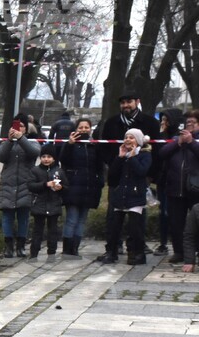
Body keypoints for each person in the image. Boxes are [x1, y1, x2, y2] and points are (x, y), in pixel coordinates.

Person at [100, 128, 152, 265]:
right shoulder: (122, 156)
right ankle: (111, 252)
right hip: (121, 195)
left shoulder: (144, 155)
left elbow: (142, 172)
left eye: (132, 137)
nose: (128, 140)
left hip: (135, 195)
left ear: (138, 141)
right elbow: (112, 178)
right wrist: (119, 158)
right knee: (114, 227)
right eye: (126, 137)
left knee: (136, 228)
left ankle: (137, 253)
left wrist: (133, 157)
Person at [0, 113, 40, 258]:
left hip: (25, 184)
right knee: (7, 216)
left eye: (22, 126)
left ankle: (21, 246)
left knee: (23, 217)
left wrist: (21, 138)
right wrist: (10, 140)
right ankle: (8, 246)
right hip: (8, 185)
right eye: (16, 126)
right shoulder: (6, 143)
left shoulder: (32, 142)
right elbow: (0, 157)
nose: (18, 128)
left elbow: (33, 153)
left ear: (26, 129)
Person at [59, 118, 104, 259]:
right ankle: (67, 249)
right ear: (76, 129)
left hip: (89, 188)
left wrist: (100, 182)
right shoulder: (70, 144)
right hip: (73, 186)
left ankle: (75, 248)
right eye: (81, 127)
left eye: (86, 127)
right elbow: (63, 160)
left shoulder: (94, 145)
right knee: (72, 219)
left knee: (82, 220)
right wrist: (69, 145)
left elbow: (99, 166)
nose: (84, 129)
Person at [158, 109, 194, 262]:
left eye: (193, 123)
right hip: (175, 188)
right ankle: (178, 251)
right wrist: (178, 143)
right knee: (176, 222)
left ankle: (193, 252)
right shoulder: (175, 139)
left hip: (194, 189)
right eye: (188, 123)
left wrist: (191, 142)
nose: (189, 125)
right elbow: (162, 153)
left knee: (195, 223)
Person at [27, 143, 69, 259]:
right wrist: (45, 184)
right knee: (37, 231)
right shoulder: (35, 170)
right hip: (39, 204)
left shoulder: (59, 171)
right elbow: (30, 185)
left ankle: (51, 253)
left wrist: (61, 188)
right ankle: (34, 253)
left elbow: (66, 187)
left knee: (53, 231)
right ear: (40, 158)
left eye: (49, 157)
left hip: (54, 205)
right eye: (44, 156)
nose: (46, 159)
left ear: (54, 158)